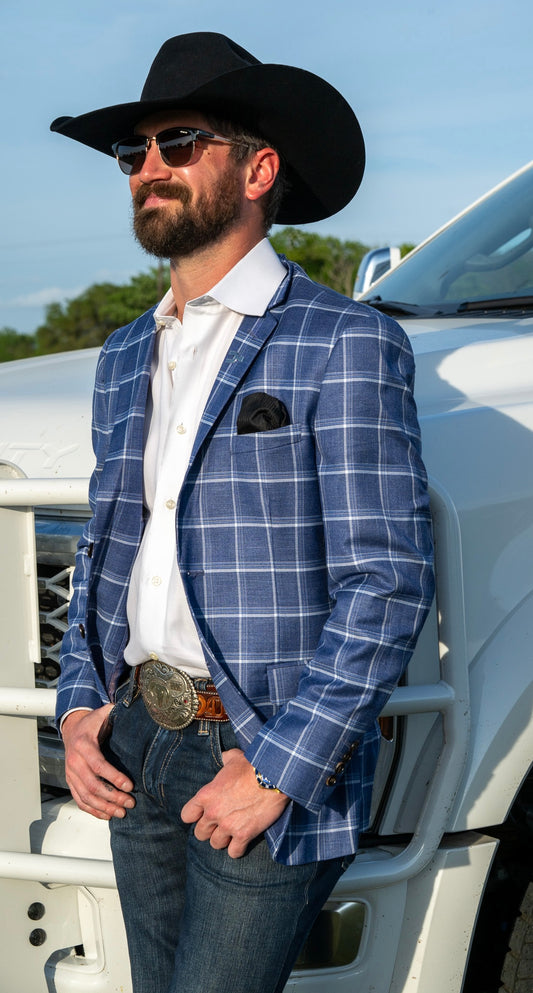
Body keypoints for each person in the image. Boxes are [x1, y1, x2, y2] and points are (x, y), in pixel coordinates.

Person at [52, 31, 434, 993]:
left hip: (257, 745)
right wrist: (76, 705)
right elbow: (108, 545)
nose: (148, 168)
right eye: (131, 151)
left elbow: (386, 582)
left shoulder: (344, 341)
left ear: (258, 168)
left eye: (179, 141)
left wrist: (274, 766)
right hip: (135, 737)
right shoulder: (124, 353)